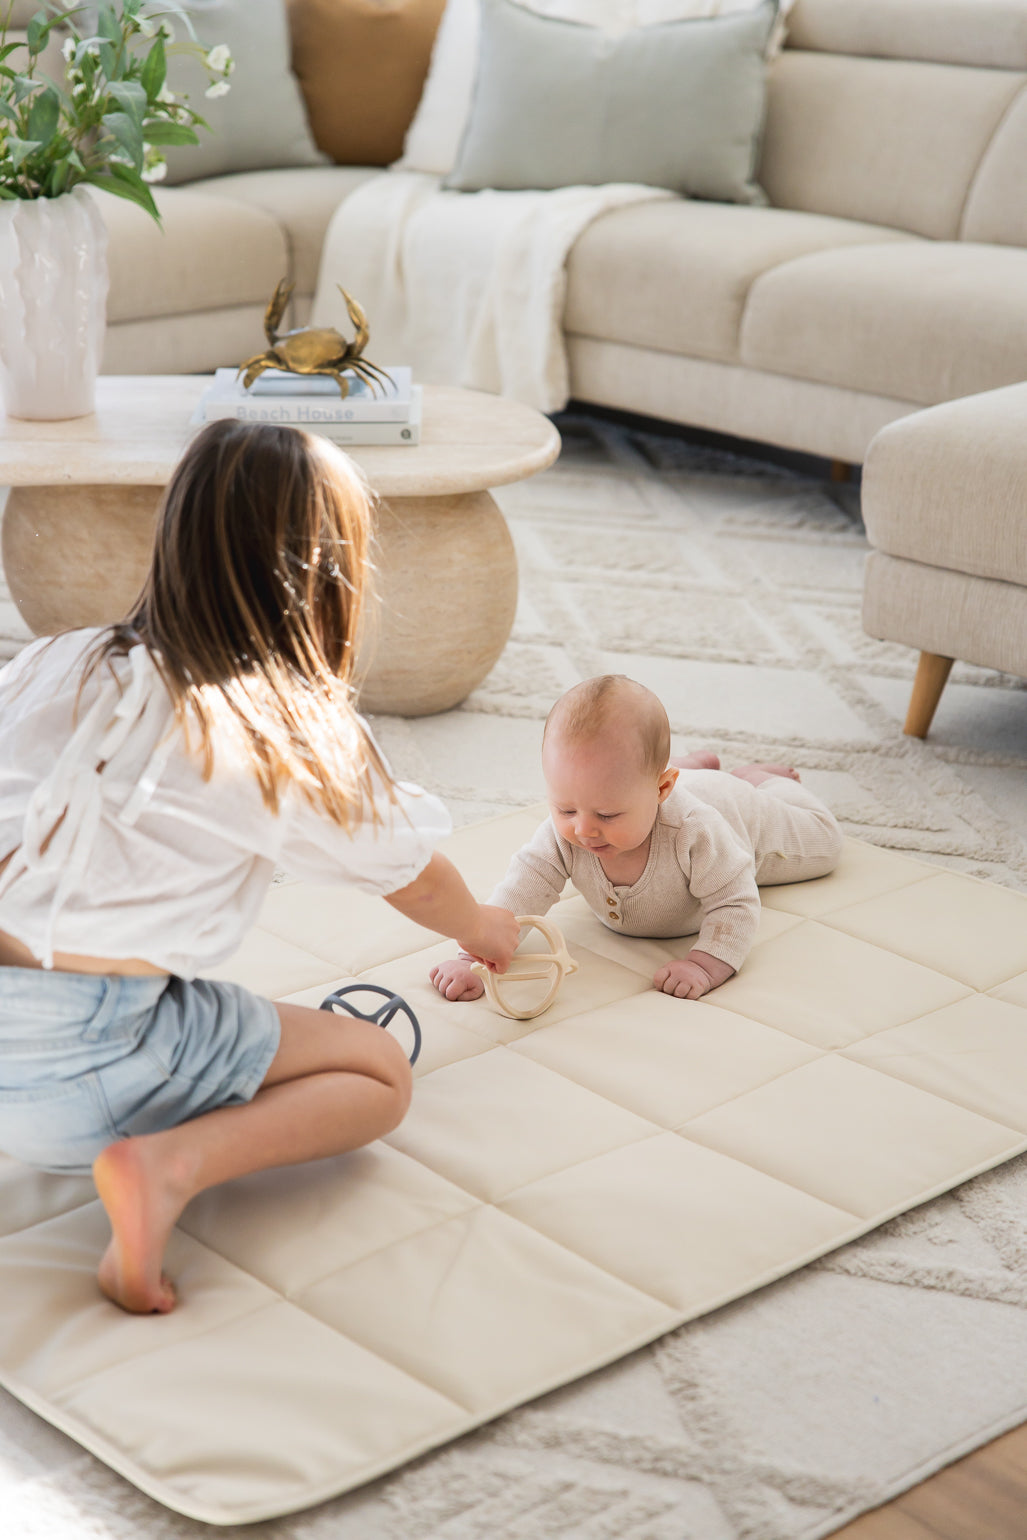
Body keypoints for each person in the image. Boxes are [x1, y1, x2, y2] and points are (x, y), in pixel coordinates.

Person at [0, 419, 518, 1317]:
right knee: (377, 1073)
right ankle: (167, 1166)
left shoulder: (56, 659)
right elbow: (410, 872)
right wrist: (483, 928)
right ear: (329, 579)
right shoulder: (280, 730)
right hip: (93, 1063)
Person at [430, 674, 842, 1004]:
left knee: (826, 843)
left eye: (607, 815)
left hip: (736, 811)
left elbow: (735, 901)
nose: (584, 830)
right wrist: (474, 956)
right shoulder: (570, 829)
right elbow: (523, 887)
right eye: (566, 809)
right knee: (627, 780)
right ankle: (689, 765)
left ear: (662, 790)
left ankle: (761, 779)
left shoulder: (696, 831)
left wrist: (705, 963)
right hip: (657, 783)